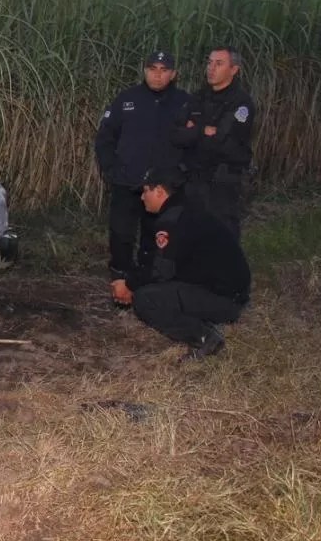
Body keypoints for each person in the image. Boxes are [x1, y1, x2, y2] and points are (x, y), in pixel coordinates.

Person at [115, 166, 251, 362]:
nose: (142, 197)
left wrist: (128, 285)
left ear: (160, 191)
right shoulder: (185, 209)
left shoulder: (171, 219)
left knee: (146, 299)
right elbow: (160, 260)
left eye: (146, 191)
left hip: (227, 300)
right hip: (231, 293)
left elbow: (161, 270)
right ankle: (206, 320)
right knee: (156, 286)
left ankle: (205, 337)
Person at [94, 51, 189, 304]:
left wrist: (180, 173)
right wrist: (111, 169)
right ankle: (120, 285)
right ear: (144, 70)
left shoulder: (184, 103)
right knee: (121, 234)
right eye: (152, 68)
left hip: (163, 189)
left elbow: (195, 142)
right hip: (127, 181)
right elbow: (104, 138)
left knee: (156, 237)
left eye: (163, 70)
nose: (157, 74)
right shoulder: (127, 99)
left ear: (173, 74)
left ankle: (148, 284)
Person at [175, 46, 256, 239]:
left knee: (223, 232)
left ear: (234, 70)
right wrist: (203, 130)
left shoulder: (241, 103)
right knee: (193, 231)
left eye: (219, 64)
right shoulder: (198, 96)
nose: (211, 68)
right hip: (195, 176)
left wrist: (193, 130)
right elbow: (176, 134)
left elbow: (221, 140)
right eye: (209, 63)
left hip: (223, 180)